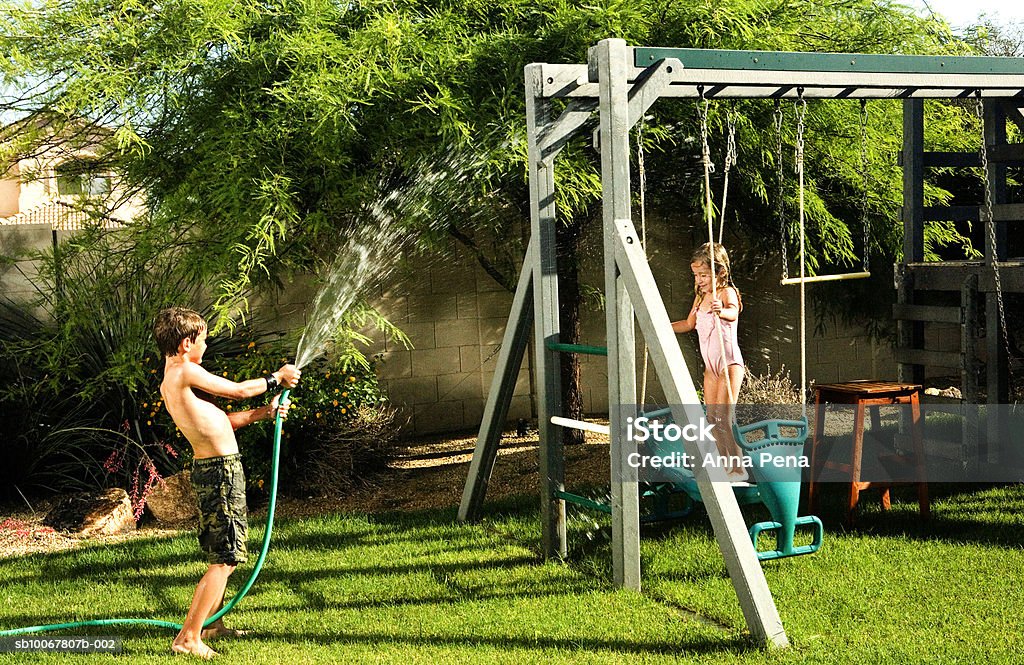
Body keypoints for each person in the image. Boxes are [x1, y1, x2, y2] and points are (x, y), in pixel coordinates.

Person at [154, 307, 300, 660]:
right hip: (219, 473)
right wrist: (276, 378)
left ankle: (211, 625)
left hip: (214, 469)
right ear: (187, 343)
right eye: (203, 339)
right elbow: (237, 391)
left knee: (223, 552)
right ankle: (187, 638)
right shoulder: (186, 370)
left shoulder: (173, 376)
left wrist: (263, 414)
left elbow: (220, 422)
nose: (206, 344)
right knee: (226, 558)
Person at [671, 242, 747, 481]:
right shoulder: (700, 297)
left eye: (704, 275)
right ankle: (725, 466)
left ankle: (739, 469)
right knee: (712, 419)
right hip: (711, 369)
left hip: (729, 364)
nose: (699, 279)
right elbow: (688, 324)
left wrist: (721, 310)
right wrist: (661, 325)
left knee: (725, 416)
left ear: (720, 272)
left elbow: (733, 313)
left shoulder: (727, 293)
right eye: (696, 275)